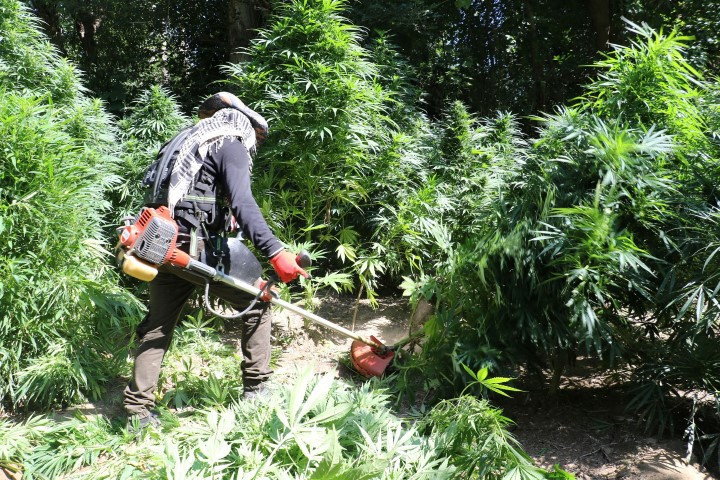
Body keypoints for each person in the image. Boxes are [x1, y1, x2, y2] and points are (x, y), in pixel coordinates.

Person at [123, 92, 308, 428]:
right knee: (258, 301)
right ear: (243, 124)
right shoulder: (229, 143)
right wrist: (276, 252)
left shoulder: (184, 143)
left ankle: (137, 411)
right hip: (191, 247)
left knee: (159, 326)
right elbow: (244, 203)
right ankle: (257, 388)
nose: (251, 142)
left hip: (158, 243)